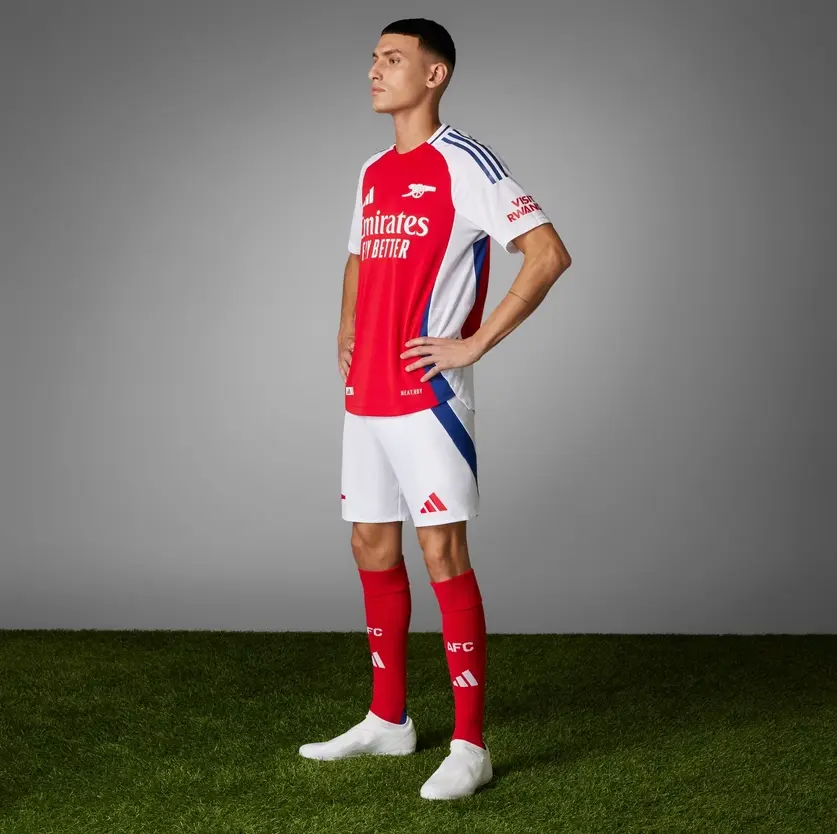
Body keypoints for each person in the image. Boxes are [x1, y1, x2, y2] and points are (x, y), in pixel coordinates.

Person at [299, 18, 571, 800]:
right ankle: (388, 720)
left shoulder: (465, 161)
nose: (374, 70)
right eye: (372, 59)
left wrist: (474, 342)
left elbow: (547, 253)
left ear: (434, 74)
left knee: (441, 550)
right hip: (367, 394)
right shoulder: (372, 170)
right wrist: (346, 329)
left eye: (392, 59)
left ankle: (469, 744)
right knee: (368, 542)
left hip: (428, 398)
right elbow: (358, 255)